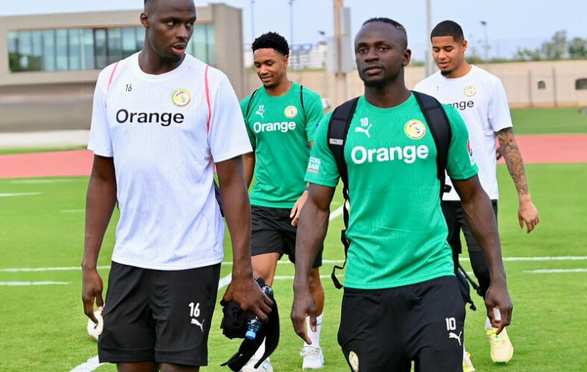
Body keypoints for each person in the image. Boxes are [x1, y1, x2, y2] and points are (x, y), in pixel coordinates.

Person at [291, 17, 513, 372]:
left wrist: (497, 279)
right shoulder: (337, 125)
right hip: (366, 287)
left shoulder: (438, 117)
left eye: (382, 48)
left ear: (406, 55)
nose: (371, 56)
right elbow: (317, 207)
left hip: (433, 280)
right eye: (362, 49)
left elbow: (474, 197)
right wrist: (301, 285)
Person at [81, 1, 272, 371]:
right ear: (145, 21)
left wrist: (243, 271)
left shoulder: (211, 83)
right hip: (130, 260)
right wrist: (89, 264)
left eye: (190, 24)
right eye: (172, 23)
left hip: (191, 260)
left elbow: (232, 183)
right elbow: (103, 177)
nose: (183, 33)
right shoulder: (111, 80)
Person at [414, 20, 540, 369]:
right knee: (443, 274)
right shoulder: (423, 90)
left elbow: (508, 142)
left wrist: (525, 198)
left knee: (487, 270)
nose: (441, 55)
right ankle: (456, 345)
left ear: (464, 46)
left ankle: (496, 328)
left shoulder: (487, 84)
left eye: (448, 49)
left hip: (478, 196)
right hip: (435, 200)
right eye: (436, 49)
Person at [240, 32, 326, 372]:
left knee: (309, 281)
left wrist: (309, 194)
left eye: (269, 63)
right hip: (262, 206)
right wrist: (237, 201)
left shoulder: (308, 101)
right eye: (258, 64)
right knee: (258, 281)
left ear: (286, 61)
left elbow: (319, 154)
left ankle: (312, 346)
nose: (262, 70)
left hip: (304, 207)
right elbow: (248, 156)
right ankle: (261, 354)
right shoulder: (248, 106)